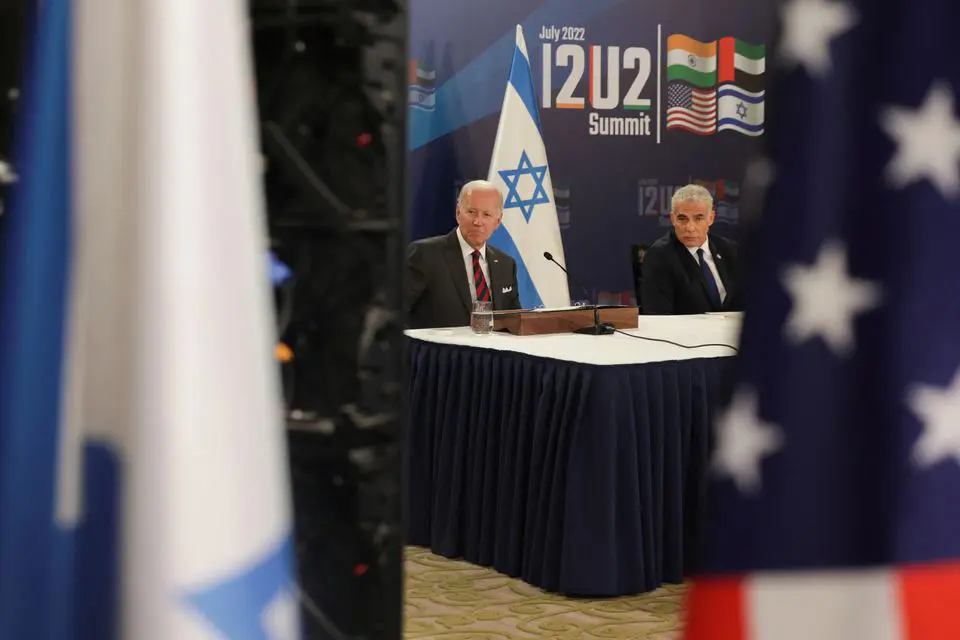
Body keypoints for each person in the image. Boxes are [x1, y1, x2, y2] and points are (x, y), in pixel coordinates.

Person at [406, 180, 522, 329]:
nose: (478, 222)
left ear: (497, 222)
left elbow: (514, 321)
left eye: (487, 214)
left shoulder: (506, 264)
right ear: (458, 213)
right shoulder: (425, 254)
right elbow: (395, 313)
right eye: (471, 212)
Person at [641, 184, 741, 315]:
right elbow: (658, 315)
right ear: (673, 219)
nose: (690, 227)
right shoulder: (660, 256)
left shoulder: (730, 250)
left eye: (698, 218)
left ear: (711, 218)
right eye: (682, 219)